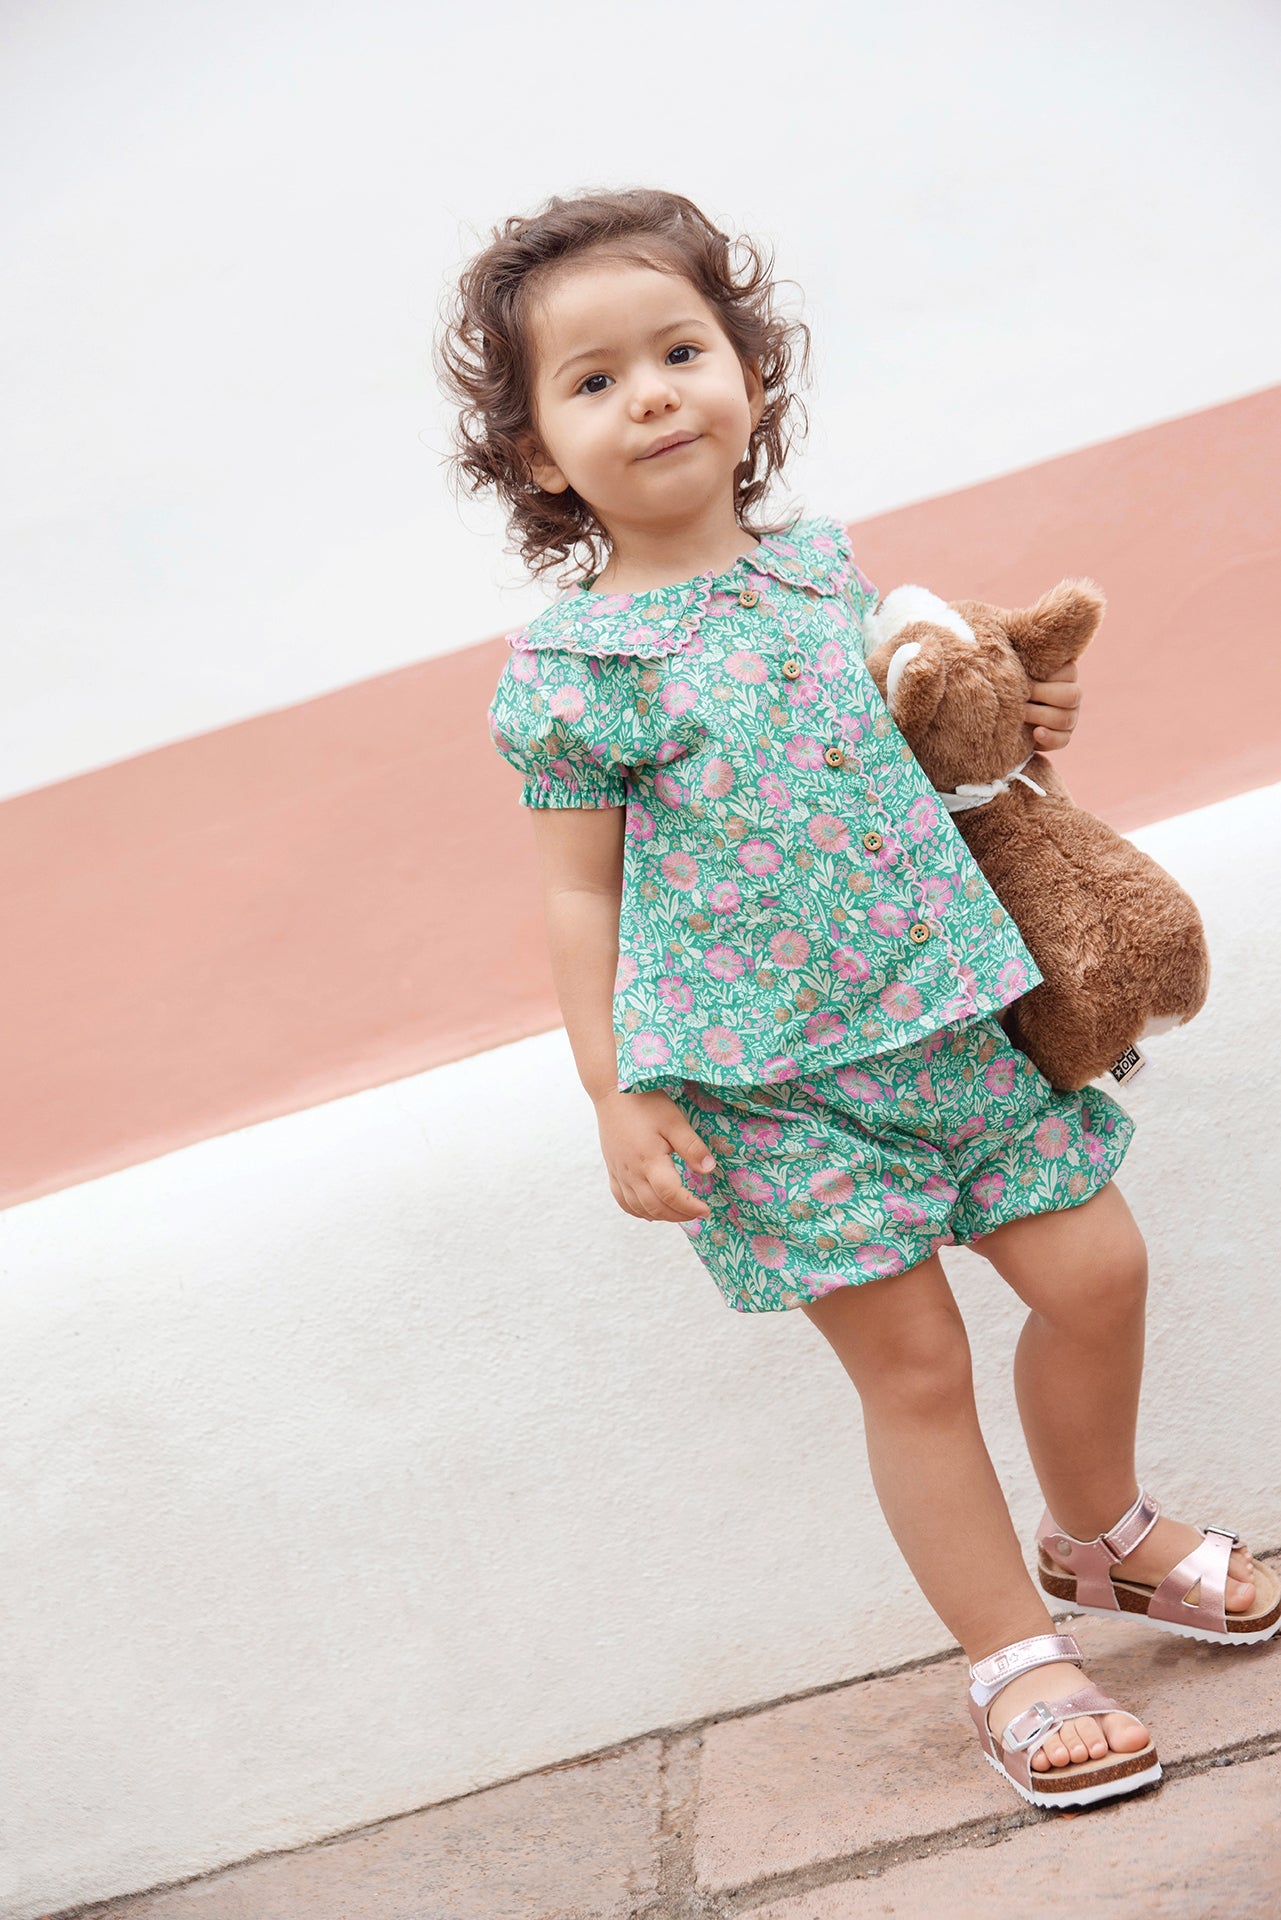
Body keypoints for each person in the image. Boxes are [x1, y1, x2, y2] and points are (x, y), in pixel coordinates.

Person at [436, 186, 1279, 1809]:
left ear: (748, 373)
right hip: (769, 1088)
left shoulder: (828, 575)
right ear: (539, 453)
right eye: (592, 380)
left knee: (1094, 1269)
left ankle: (1097, 1536)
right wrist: (615, 1088)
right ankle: (1010, 1660)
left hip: (953, 1021)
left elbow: (925, 753)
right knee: (909, 1367)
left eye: (680, 350)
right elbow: (573, 891)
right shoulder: (572, 675)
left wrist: (1019, 714)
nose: (652, 394)